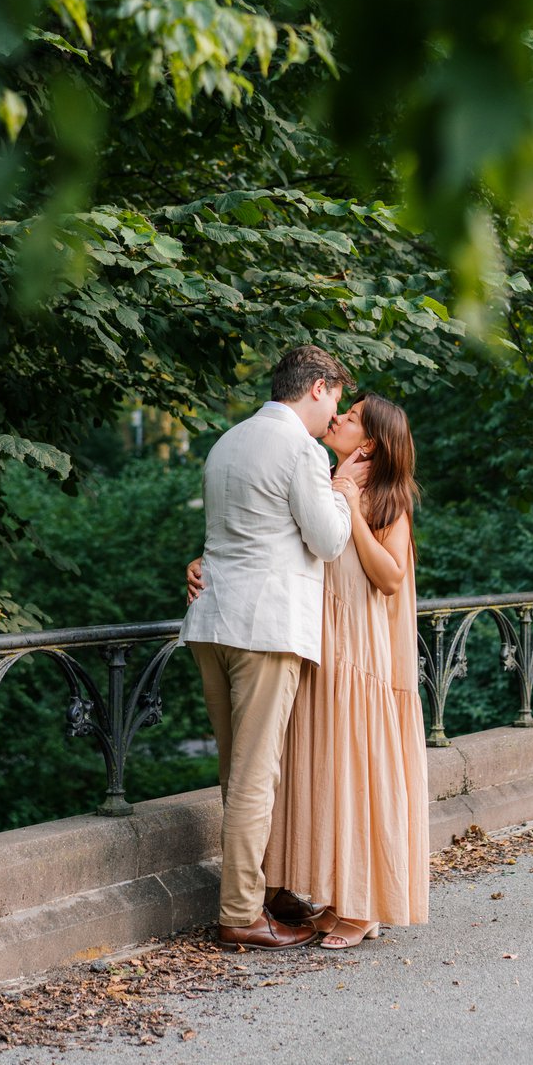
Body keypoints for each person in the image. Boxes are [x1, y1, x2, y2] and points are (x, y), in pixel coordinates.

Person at [179, 344, 360, 950]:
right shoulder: (301, 450)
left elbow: (233, 533)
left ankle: (256, 892)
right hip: (265, 629)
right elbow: (330, 541)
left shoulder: (228, 441)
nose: (335, 412)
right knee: (256, 775)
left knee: (237, 772)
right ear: (317, 387)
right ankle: (240, 915)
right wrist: (344, 492)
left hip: (212, 621)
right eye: (335, 397)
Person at [264, 392, 429, 949]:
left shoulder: (390, 503)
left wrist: (353, 508)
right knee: (331, 770)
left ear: (372, 443)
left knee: (359, 770)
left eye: (351, 417)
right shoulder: (325, 481)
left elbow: (388, 577)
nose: (337, 418)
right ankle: (337, 898)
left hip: (360, 653)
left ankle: (364, 908)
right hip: (320, 646)